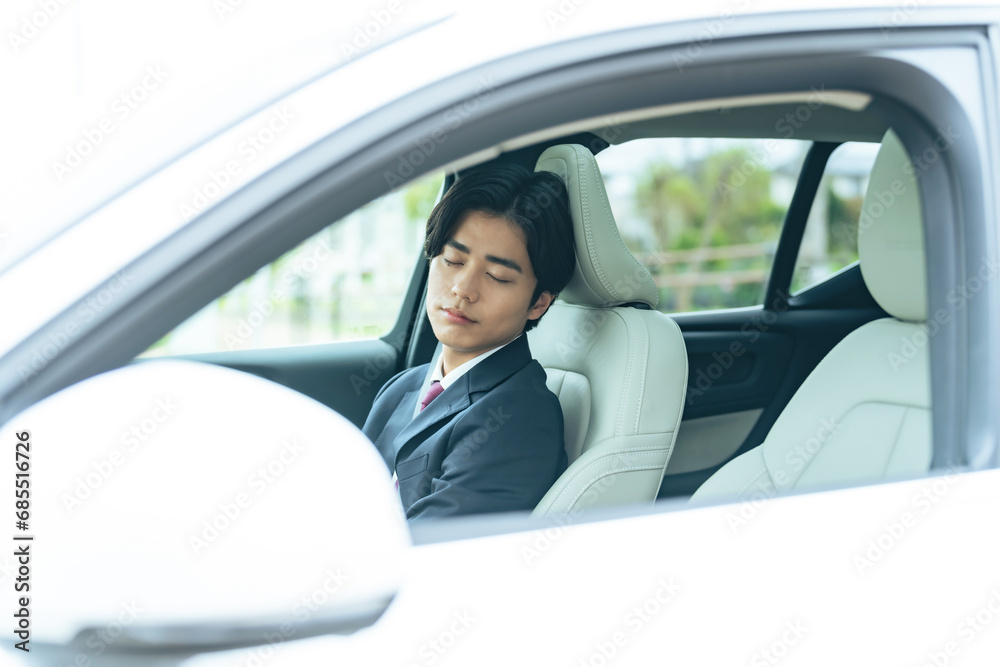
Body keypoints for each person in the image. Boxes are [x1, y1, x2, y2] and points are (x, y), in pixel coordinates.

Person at [362, 163, 577, 520]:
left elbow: (429, 545)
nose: (463, 288)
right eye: (453, 260)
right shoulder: (403, 388)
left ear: (539, 303)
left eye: (496, 276)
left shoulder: (517, 419)